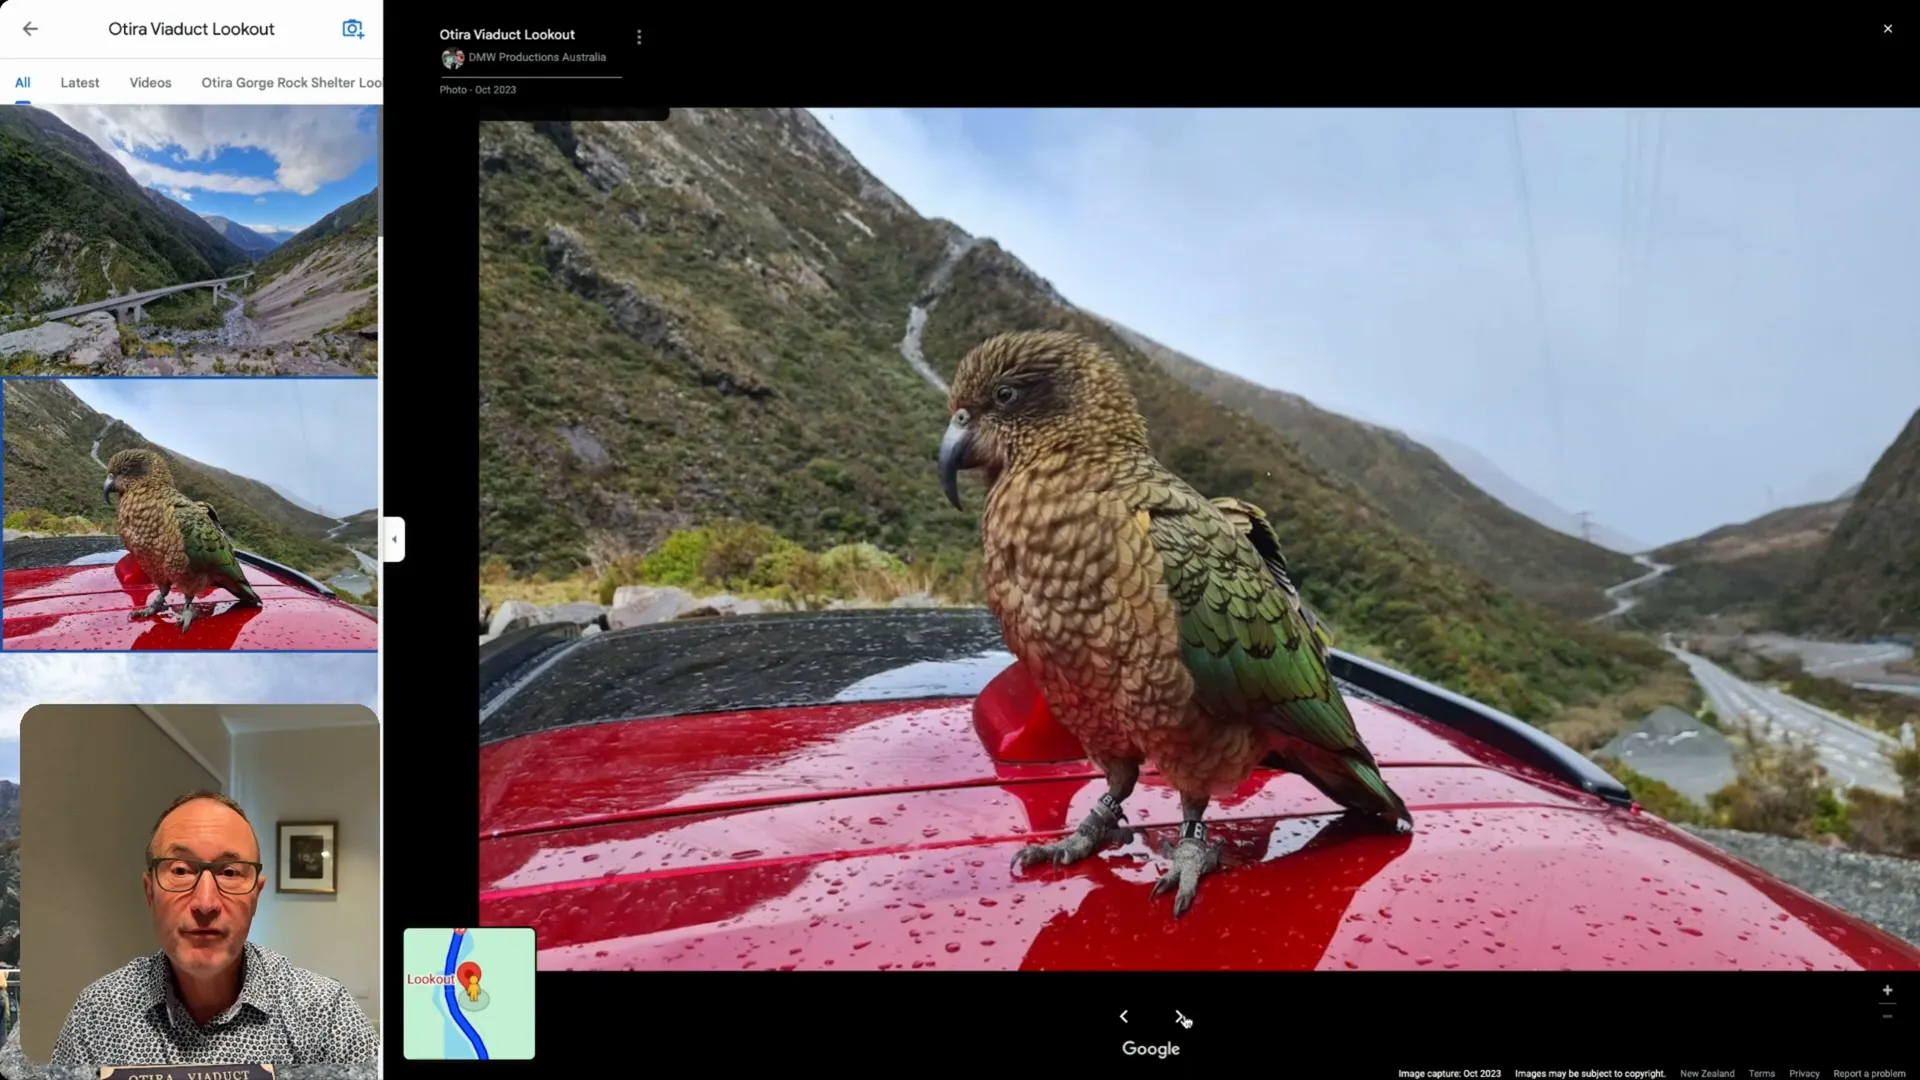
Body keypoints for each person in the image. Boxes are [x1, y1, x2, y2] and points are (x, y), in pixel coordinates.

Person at [0, 791, 377, 1066]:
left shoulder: (324, 1014)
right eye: (180, 871)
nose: (206, 902)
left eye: (230, 872)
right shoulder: (98, 1014)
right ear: (150, 892)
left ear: (256, 895)